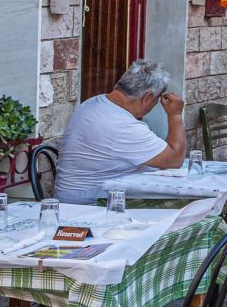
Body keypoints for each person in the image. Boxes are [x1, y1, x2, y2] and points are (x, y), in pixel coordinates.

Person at [55, 60, 187, 204]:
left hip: (74, 197)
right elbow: (174, 159)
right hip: (88, 205)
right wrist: (175, 115)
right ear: (147, 97)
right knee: (185, 206)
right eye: (157, 100)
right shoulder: (122, 126)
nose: (155, 105)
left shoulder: (93, 103)